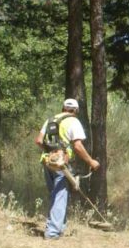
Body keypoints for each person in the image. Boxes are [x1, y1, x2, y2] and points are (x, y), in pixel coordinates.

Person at [34, 98, 99, 240]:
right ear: (76, 110)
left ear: (63, 108)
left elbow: (38, 140)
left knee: (56, 195)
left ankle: (58, 228)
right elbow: (78, 146)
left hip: (47, 162)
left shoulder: (50, 120)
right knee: (60, 196)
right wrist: (91, 161)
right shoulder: (74, 122)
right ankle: (52, 233)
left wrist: (51, 152)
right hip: (60, 164)